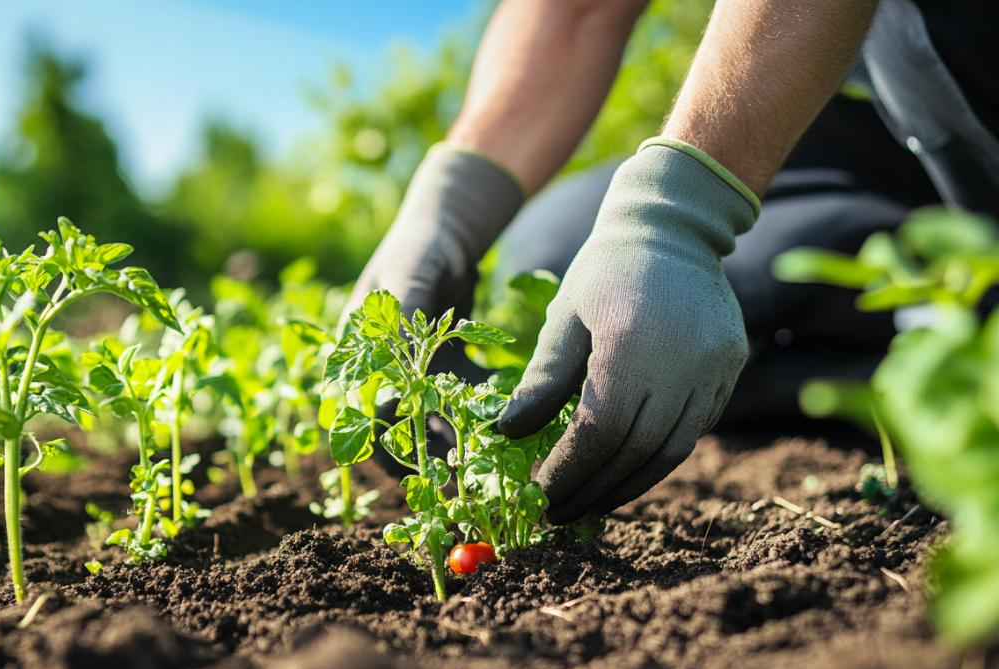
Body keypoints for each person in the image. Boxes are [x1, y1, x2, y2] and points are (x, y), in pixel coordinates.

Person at [347, 0, 999, 526]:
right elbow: (577, 13)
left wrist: (682, 210)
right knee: (562, 258)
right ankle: (922, 354)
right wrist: (449, 205)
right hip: (914, 130)